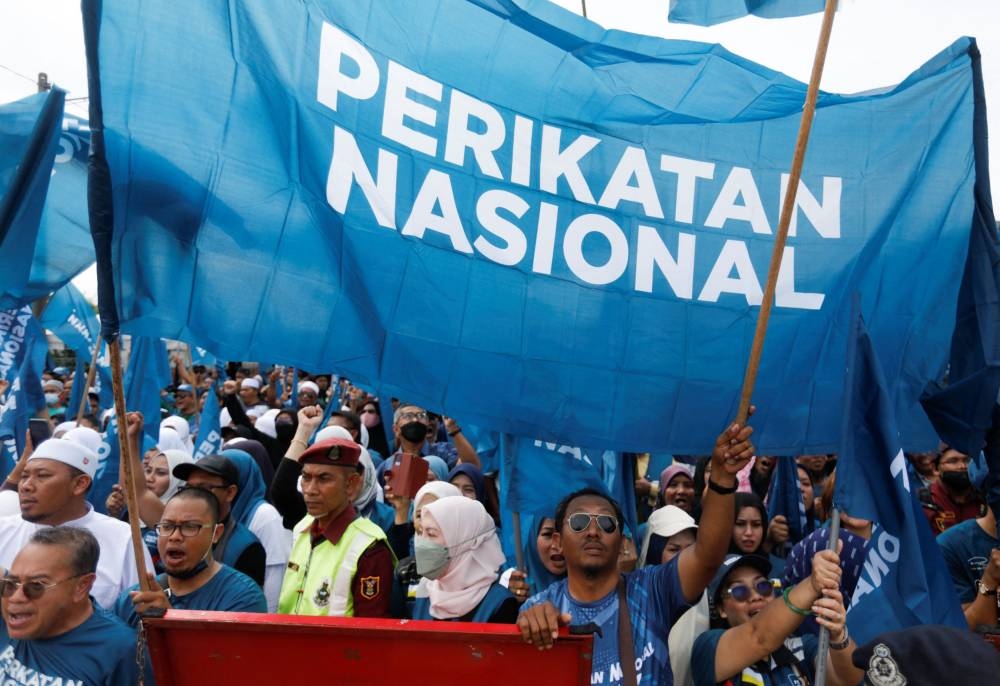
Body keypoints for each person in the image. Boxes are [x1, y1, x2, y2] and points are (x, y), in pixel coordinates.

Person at [517, 417, 755, 685]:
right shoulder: (539, 609)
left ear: (622, 543)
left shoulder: (653, 590)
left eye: (607, 523)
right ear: (558, 541)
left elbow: (707, 557)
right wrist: (531, 626)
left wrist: (722, 478)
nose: (593, 531)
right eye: (579, 522)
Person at [0, 436, 151, 608]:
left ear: (80, 484)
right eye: (24, 476)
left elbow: (139, 611)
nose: (26, 486)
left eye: (42, 476)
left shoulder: (123, 538)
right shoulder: (3, 531)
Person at [690, 549, 863, 686]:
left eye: (763, 586)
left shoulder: (802, 647)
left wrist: (838, 635)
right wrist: (812, 584)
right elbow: (759, 636)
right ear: (721, 609)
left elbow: (847, 680)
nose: (756, 596)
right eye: (740, 591)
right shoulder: (707, 648)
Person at [0, 527, 139, 685]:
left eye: (36, 586)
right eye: (11, 584)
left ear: (82, 586)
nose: (16, 597)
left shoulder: (120, 651)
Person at [114, 487, 267, 626]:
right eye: (167, 526)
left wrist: (169, 619)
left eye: (189, 527)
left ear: (216, 533)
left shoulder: (242, 597)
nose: (175, 536)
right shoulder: (134, 599)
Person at [278, 437, 394, 617]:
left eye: (324, 479)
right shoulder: (302, 528)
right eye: (306, 478)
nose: (310, 490)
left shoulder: (370, 547)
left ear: (351, 484)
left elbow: (369, 628)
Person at [411, 496, 519, 623]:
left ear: (463, 540)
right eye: (421, 532)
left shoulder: (499, 603)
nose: (421, 542)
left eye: (431, 534)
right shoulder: (425, 591)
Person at [172, 454, 267, 587]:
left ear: (230, 493)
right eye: (188, 488)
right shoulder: (174, 535)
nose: (192, 496)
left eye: (203, 488)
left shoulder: (246, 547)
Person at [921, 446, 985, 535]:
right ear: (935, 469)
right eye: (953, 461)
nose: (962, 466)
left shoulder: (987, 499)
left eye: (967, 460)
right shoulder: (923, 502)